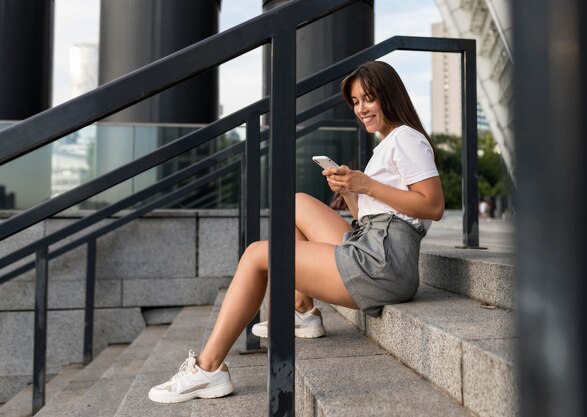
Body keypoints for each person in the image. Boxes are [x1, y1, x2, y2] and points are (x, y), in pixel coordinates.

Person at [147, 60, 445, 404]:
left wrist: (368, 184)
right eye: (355, 102)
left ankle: (207, 368)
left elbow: (432, 205)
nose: (361, 109)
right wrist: (350, 189)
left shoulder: (407, 139)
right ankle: (302, 312)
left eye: (368, 99)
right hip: (374, 240)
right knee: (297, 202)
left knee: (258, 255)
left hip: (384, 261)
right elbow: (371, 214)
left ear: (389, 97)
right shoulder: (389, 142)